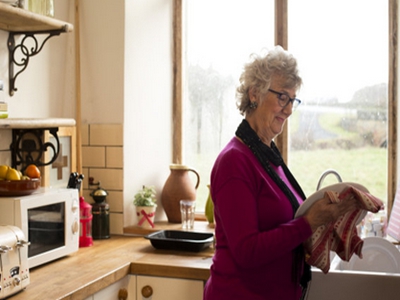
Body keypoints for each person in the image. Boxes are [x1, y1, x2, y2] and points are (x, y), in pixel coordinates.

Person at [203, 46, 358, 300]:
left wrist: (334, 229)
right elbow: (247, 251)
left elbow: (285, 231)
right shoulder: (234, 162)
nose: (288, 110)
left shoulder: (267, 155)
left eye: (293, 100)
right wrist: (309, 223)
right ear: (255, 93)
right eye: (282, 97)